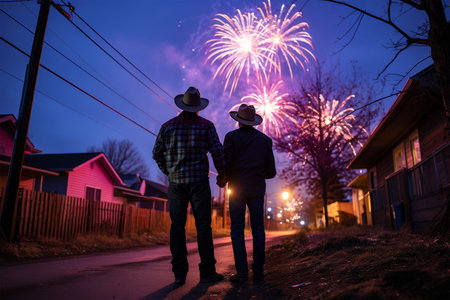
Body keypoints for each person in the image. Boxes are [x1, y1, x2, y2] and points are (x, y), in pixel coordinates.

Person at [153, 86, 226, 285]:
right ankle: (207, 272)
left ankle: (179, 274)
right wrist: (222, 175)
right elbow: (217, 152)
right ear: (198, 108)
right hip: (199, 183)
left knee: (177, 227)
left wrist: (169, 171)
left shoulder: (168, 126)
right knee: (204, 226)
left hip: (176, 184)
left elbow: (156, 153)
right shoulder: (206, 126)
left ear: (182, 105)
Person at [222, 104, 276, 284]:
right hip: (257, 189)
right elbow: (271, 172)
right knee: (258, 229)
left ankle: (242, 273)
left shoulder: (231, 137)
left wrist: (228, 176)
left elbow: (225, 165)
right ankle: (259, 273)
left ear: (238, 121)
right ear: (253, 122)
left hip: (237, 188)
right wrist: (258, 174)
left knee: (237, 229)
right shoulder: (265, 141)